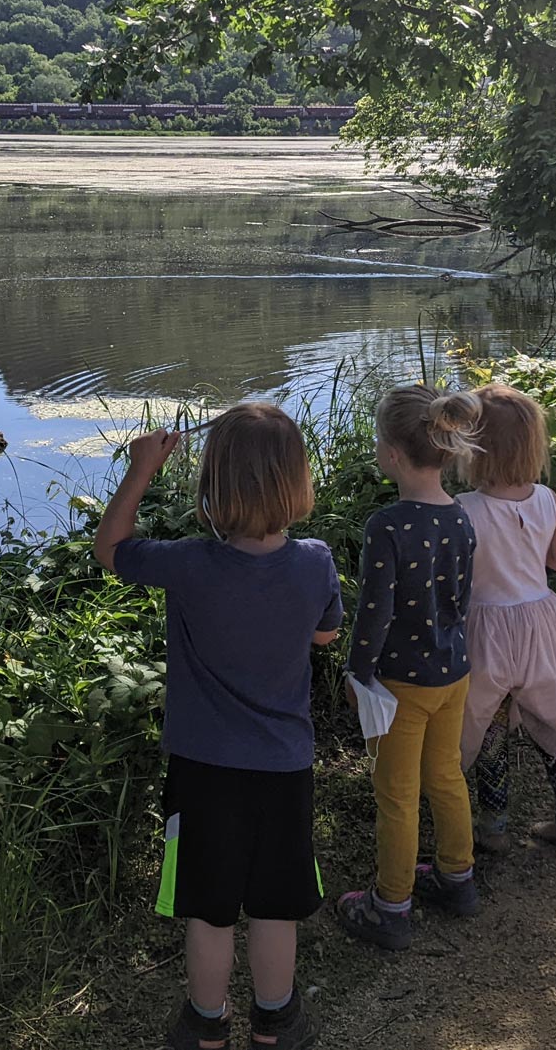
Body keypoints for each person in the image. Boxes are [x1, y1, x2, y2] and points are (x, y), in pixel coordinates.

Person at [94, 404, 343, 1050]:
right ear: (296, 482)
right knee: (273, 904)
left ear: (214, 486)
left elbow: (110, 548)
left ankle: (206, 1025)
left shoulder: (187, 562)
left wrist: (142, 468)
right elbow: (326, 631)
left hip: (203, 772)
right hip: (284, 769)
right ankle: (277, 1019)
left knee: (208, 910)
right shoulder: (316, 561)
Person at [335, 384, 483, 951]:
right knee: (445, 776)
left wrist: (358, 674)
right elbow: (460, 598)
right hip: (453, 671)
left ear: (394, 454)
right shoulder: (461, 517)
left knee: (396, 794)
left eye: (378, 440)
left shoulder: (388, 525)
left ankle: (390, 905)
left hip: (400, 681)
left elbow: (375, 612)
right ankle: (457, 877)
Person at [455, 384, 556, 853]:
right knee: (553, 723)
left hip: (485, 629)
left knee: (490, 725)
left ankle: (494, 827)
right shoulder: (546, 499)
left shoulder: (464, 511)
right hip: (541, 623)